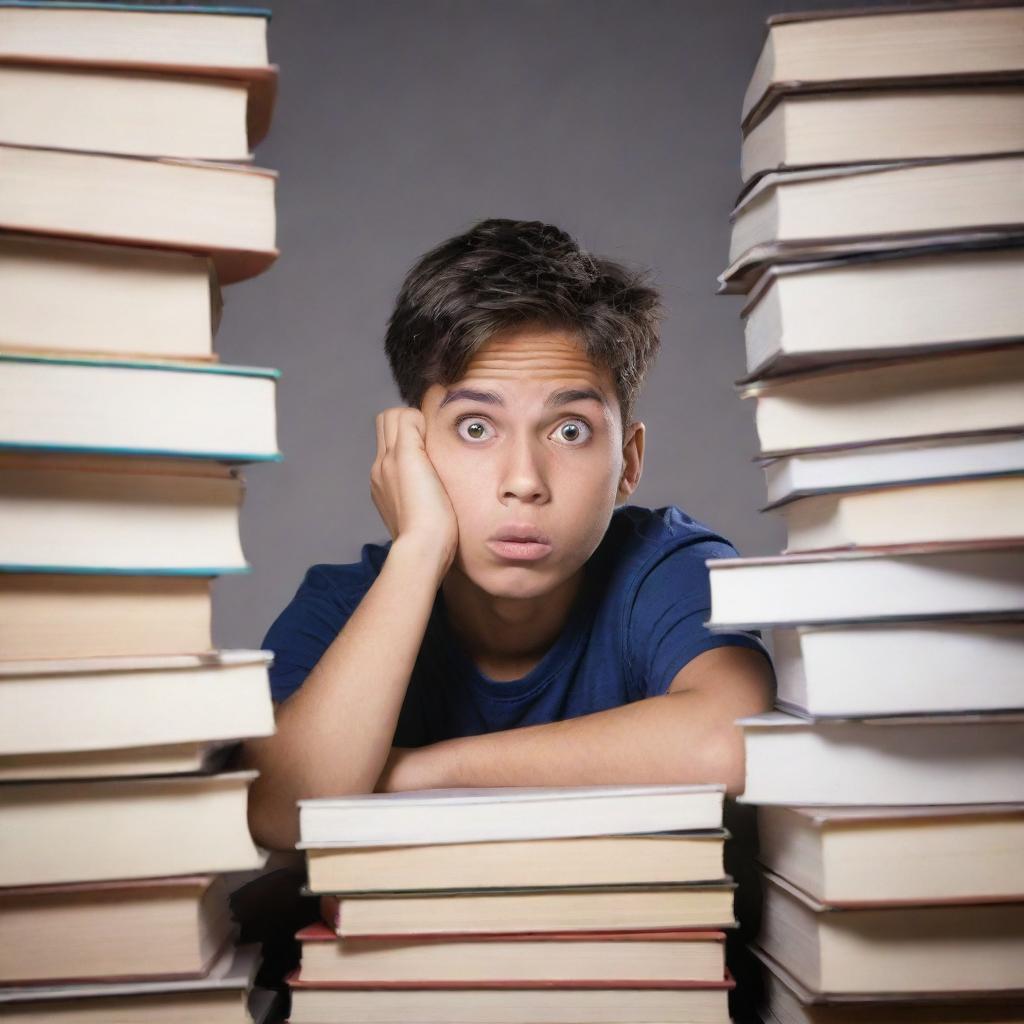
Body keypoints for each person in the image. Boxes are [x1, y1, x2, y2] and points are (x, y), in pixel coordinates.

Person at [241, 218, 773, 851]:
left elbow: (731, 740)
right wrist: (417, 552)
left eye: (570, 430)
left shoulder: (666, 568)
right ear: (410, 450)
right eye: (475, 428)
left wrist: (416, 771)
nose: (523, 480)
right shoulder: (344, 605)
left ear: (628, 462)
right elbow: (277, 808)